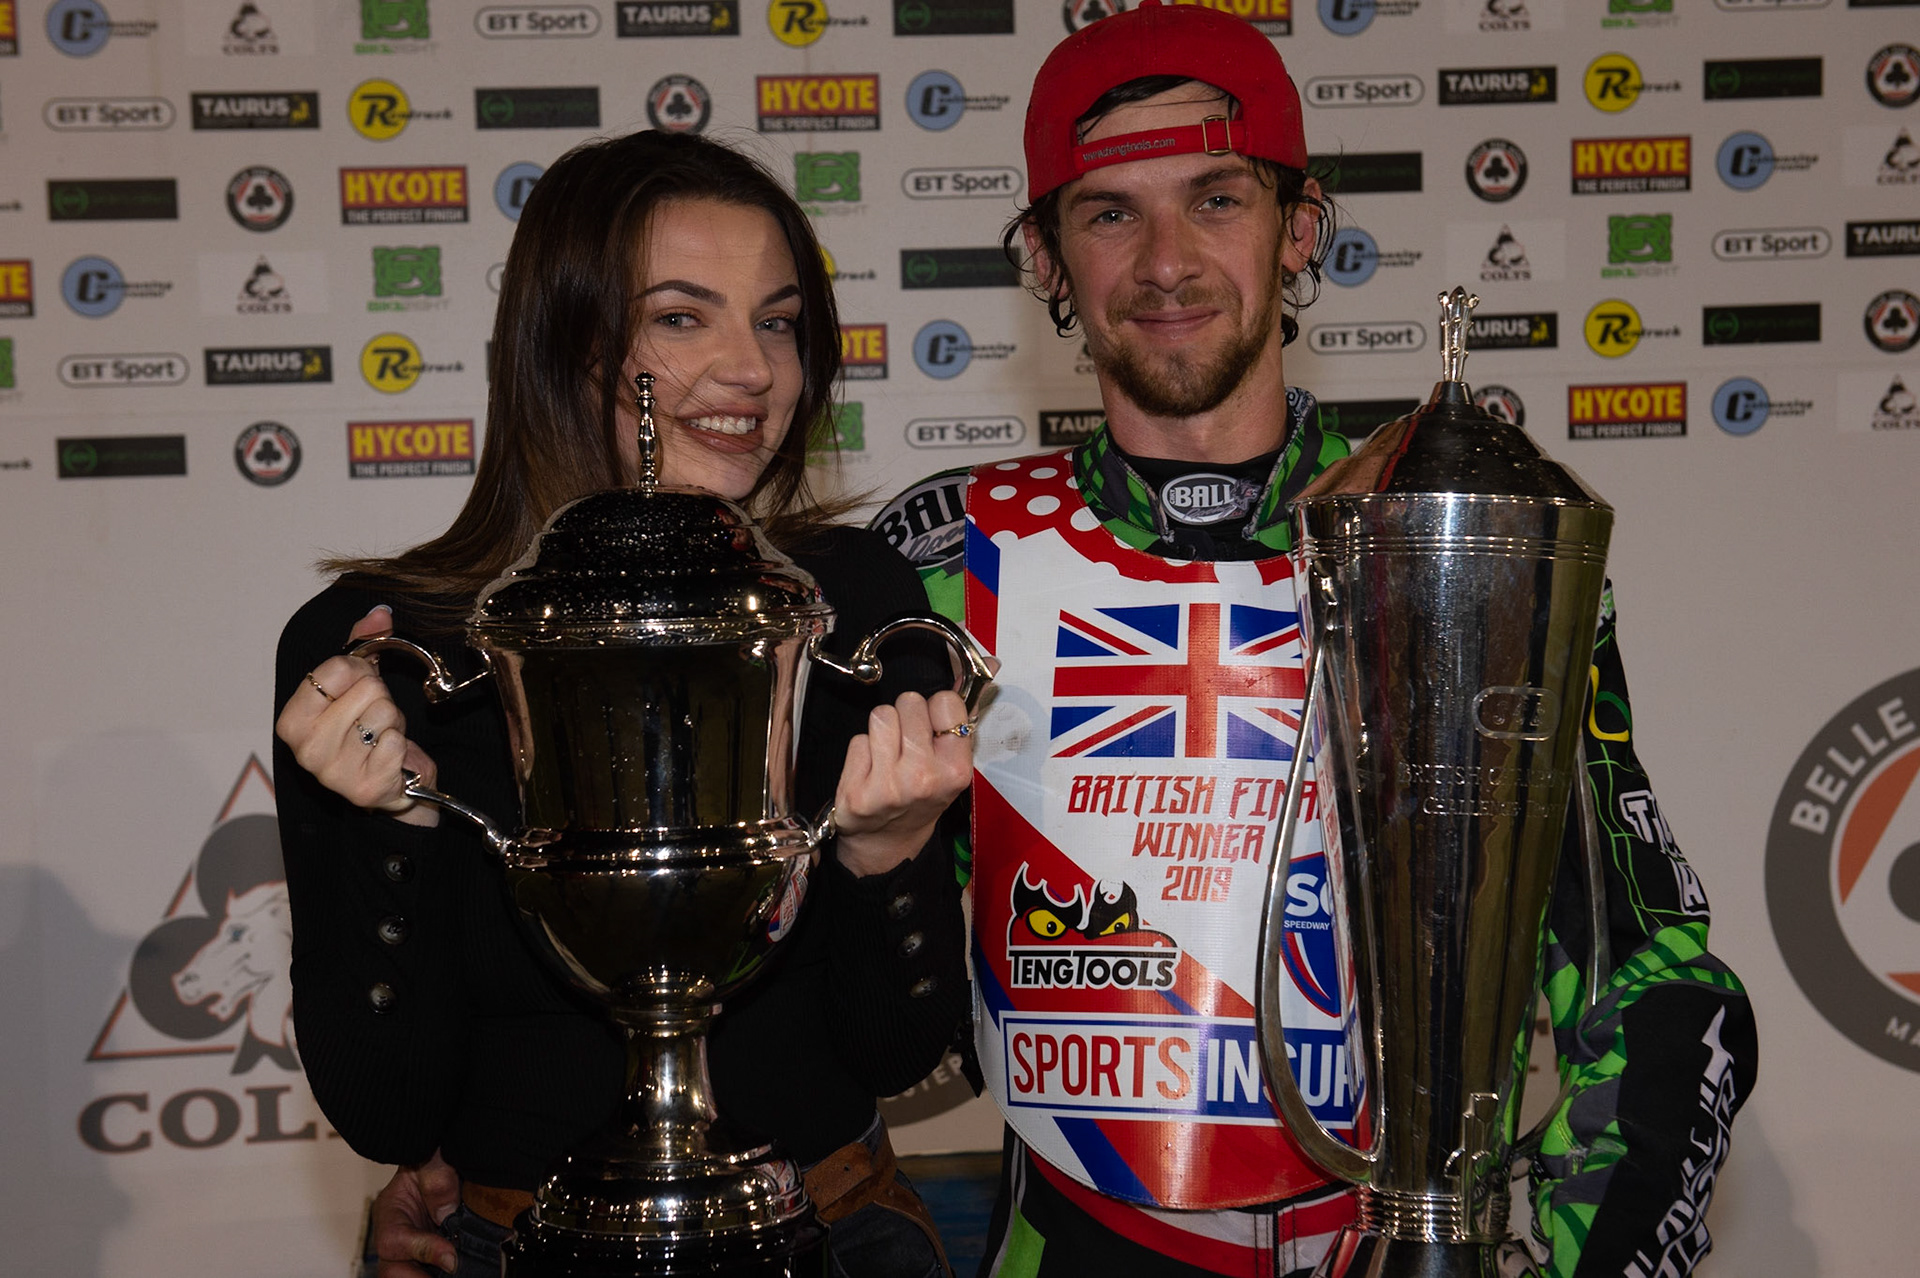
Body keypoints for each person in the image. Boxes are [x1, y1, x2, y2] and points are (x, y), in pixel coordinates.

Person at [869, 5, 1759, 1275]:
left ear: (1300, 230)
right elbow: (852, 990)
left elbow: (1654, 984)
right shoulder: (953, 566)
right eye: (1109, 212)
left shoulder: (1469, 541)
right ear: (1046, 259)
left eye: (1217, 200)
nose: (1166, 261)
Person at [273, 129, 972, 1278]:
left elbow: (896, 1051)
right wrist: (386, 833)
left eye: (780, 319)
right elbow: (392, 1117)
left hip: (833, 1237)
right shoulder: (387, 651)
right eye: (683, 316)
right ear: (566, 339)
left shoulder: (847, 601)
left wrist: (891, 857)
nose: (754, 369)